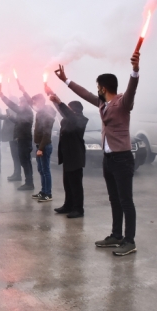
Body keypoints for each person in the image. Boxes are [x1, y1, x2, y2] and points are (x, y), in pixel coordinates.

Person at [55, 52, 140, 256]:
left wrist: (135, 70)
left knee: (126, 200)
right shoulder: (102, 104)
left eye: (98, 87)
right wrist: (66, 80)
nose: (96, 90)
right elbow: (84, 94)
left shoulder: (122, 103)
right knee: (114, 198)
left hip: (122, 158)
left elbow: (132, 89)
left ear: (103, 87)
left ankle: (129, 241)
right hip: (109, 159)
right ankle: (116, 235)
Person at [49, 94, 88, 218]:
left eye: (69, 108)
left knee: (76, 184)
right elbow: (63, 112)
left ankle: (78, 209)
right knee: (67, 183)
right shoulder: (69, 119)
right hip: (67, 156)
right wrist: (54, 100)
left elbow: (69, 115)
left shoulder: (80, 120)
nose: (67, 110)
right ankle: (68, 205)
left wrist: (59, 102)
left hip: (76, 156)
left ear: (75, 110)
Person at [20, 86, 56, 202]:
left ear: (41, 102)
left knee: (45, 170)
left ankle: (48, 194)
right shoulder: (41, 111)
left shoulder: (47, 114)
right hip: (40, 146)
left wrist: (40, 148)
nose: (33, 104)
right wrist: (23, 90)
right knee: (41, 170)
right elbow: (30, 102)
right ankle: (43, 191)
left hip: (44, 146)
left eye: (36, 102)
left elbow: (47, 134)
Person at [0, 87, 35, 191]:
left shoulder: (27, 110)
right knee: (24, 161)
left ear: (25, 102)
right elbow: (19, 122)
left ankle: (29, 183)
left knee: (25, 162)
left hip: (25, 139)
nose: (19, 103)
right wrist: (10, 117)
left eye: (21, 102)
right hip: (21, 138)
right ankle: (28, 182)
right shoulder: (23, 112)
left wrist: (3, 97)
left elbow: (14, 106)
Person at [0, 96, 22, 181]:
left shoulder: (14, 110)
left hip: (14, 136)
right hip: (12, 136)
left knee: (16, 157)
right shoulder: (16, 110)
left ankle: (17, 174)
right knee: (15, 157)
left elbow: (2, 117)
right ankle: (16, 173)